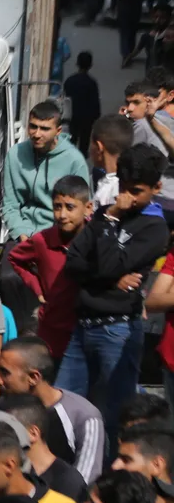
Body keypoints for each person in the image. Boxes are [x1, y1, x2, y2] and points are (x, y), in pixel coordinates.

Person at [62, 144, 167, 445]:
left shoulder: (154, 227)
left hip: (117, 330)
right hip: (82, 327)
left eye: (137, 191)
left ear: (156, 188)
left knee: (114, 416)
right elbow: (73, 264)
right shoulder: (108, 214)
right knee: (63, 408)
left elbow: (107, 262)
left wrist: (110, 222)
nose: (128, 198)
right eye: (124, 189)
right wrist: (110, 280)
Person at [0, 335, 105, 486]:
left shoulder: (84, 416)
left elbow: (83, 482)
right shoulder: (1, 408)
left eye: (5, 373)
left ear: (34, 377)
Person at [8, 176, 90, 361]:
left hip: (87, 326)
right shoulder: (42, 240)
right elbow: (15, 259)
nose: (62, 215)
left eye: (70, 207)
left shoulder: (96, 238)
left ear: (88, 208)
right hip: (53, 328)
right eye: (57, 207)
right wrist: (38, 289)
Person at [2, 101, 90, 243]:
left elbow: (80, 210)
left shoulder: (74, 160)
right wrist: (20, 233)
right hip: (21, 235)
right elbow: (10, 204)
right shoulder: (14, 155)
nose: (37, 134)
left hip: (59, 236)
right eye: (33, 127)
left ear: (58, 131)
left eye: (44, 129)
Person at [64, 53, 101, 154]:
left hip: (72, 117)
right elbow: (95, 103)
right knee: (84, 144)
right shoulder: (91, 83)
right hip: (86, 119)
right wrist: (96, 117)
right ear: (90, 65)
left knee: (71, 141)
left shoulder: (70, 80)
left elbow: (65, 99)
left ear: (77, 63)